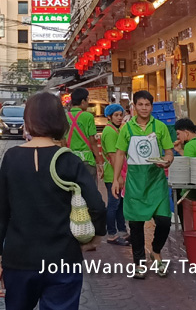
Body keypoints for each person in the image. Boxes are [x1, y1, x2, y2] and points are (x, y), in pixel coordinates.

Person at [0, 91, 106, 309]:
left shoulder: (12, 158)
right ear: (60, 120)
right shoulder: (69, 159)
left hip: (19, 259)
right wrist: (94, 240)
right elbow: (97, 206)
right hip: (63, 259)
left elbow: (0, 211)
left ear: (28, 120)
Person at [112, 90, 174, 277]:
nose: (144, 108)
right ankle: (138, 262)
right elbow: (120, 154)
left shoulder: (161, 127)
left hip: (156, 180)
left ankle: (155, 250)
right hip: (135, 181)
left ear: (151, 107)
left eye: (147, 105)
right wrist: (116, 179)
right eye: (140, 104)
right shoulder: (126, 128)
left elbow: (169, 152)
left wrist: (166, 160)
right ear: (134, 106)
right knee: (136, 225)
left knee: (164, 221)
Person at [99, 103, 129, 246]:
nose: (119, 118)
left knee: (119, 204)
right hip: (113, 175)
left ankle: (122, 231)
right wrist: (119, 177)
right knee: (113, 204)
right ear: (109, 117)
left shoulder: (116, 130)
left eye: (121, 115)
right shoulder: (110, 132)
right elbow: (112, 156)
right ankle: (111, 233)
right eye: (116, 115)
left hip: (117, 173)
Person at [65, 88, 103, 175]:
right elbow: (92, 141)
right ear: (83, 101)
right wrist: (99, 162)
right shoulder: (88, 116)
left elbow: (62, 140)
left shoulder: (65, 117)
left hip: (70, 159)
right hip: (87, 160)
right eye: (87, 100)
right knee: (89, 187)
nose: (88, 103)